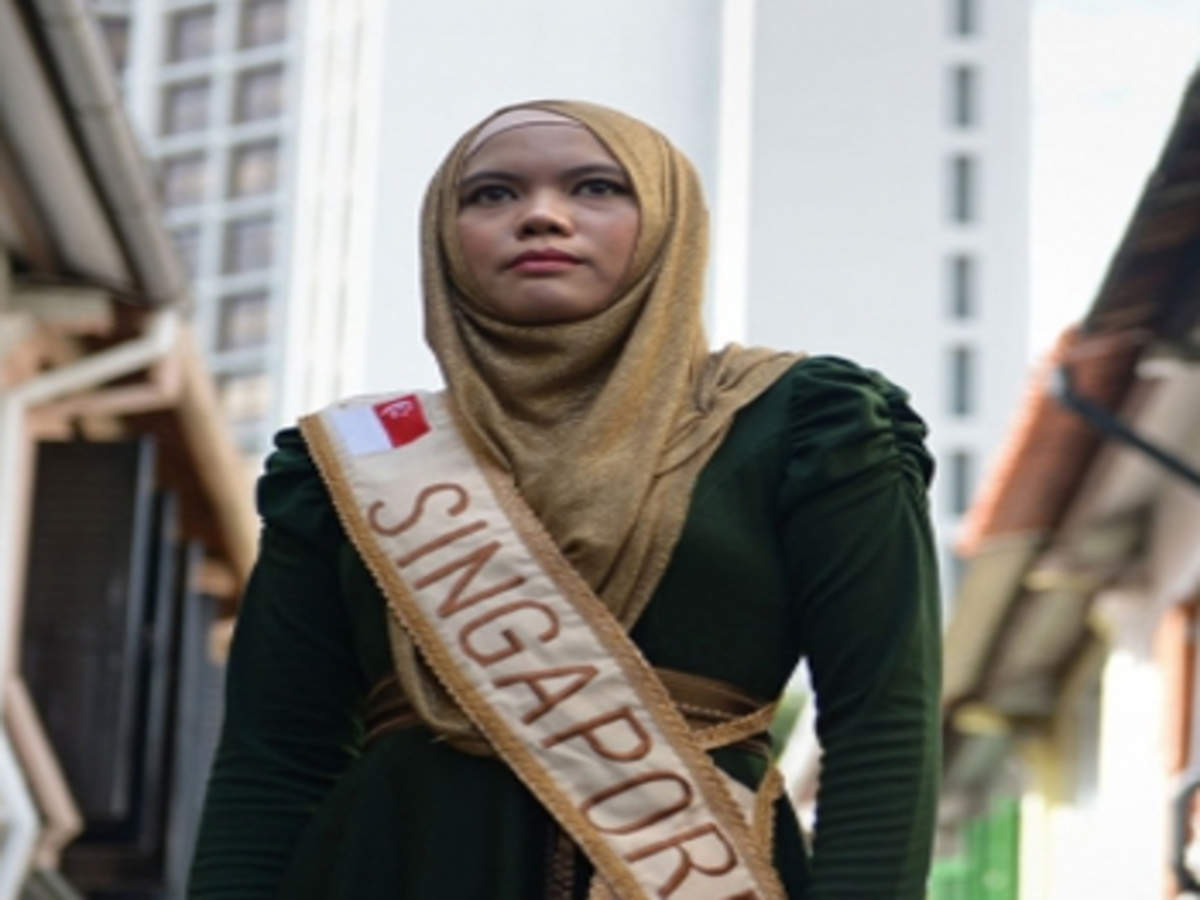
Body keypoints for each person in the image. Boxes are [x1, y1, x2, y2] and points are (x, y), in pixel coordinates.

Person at [188, 100, 942, 899]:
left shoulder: (802, 421)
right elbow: (274, 762)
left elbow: (882, 726)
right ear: (443, 236)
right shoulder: (356, 459)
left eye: (595, 188)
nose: (542, 217)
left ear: (668, 225)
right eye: (491, 195)